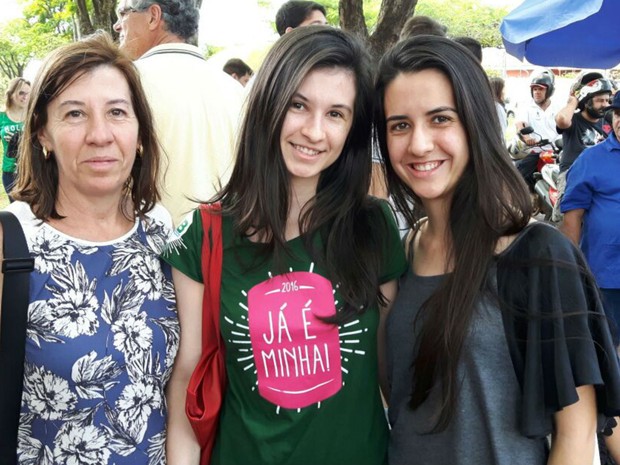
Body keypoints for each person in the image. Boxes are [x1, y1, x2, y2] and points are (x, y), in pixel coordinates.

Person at [164, 26, 407, 465]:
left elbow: (391, 373)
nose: (314, 131)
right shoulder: (204, 235)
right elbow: (186, 377)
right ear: (269, 105)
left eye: (336, 114)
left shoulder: (375, 227)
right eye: (299, 105)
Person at [374, 35, 620, 465]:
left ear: (475, 124)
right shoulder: (403, 252)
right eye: (400, 125)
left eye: (440, 119)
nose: (418, 144)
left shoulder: (537, 254)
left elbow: (576, 440)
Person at [0, 32, 178, 463]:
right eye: (75, 113)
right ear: (42, 132)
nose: (100, 134)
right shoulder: (11, 243)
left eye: (117, 112)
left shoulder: (161, 234)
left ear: (139, 133)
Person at [114, 0, 244, 225]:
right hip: (225, 246)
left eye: (123, 13)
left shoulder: (123, 83)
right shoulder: (235, 89)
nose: (117, 25)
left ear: (153, 16)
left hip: (150, 245)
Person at [560, 91, 620, 339]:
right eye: (618, 113)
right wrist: (569, 270)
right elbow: (572, 217)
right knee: (610, 341)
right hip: (606, 272)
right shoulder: (590, 159)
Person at [552, 71, 613, 222]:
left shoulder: (608, 122)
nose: (605, 105)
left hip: (601, 175)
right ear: (586, 101)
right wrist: (573, 101)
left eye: (607, 100)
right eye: (600, 100)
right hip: (572, 174)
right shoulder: (575, 120)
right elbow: (562, 120)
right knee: (564, 219)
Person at [513, 70, 560, 190]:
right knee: (519, 175)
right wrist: (527, 137)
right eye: (534, 89)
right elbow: (520, 124)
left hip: (556, 151)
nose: (537, 92)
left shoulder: (558, 107)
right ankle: (529, 199)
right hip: (536, 150)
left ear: (549, 91)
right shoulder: (527, 107)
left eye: (540, 89)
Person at [1, 77, 30, 201]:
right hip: (9, 171)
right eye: (21, 93)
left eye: (28, 93)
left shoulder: (33, 115)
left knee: (34, 211)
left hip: (31, 170)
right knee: (16, 210)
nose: (25, 97)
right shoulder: (2, 116)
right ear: (11, 94)